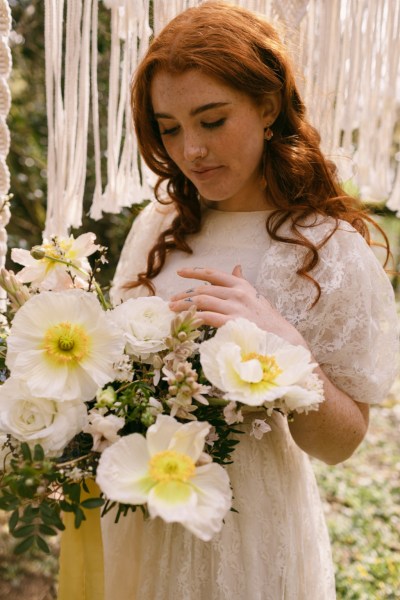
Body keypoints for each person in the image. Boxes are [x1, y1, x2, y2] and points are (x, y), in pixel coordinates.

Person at [105, 2, 398, 598]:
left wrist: (283, 348)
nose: (191, 151)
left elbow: (343, 444)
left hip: (251, 529)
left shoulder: (327, 249)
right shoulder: (158, 227)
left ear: (267, 108)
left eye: (212, 120)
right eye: (170, 127)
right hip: (142, 514)